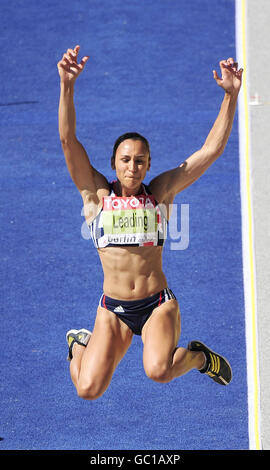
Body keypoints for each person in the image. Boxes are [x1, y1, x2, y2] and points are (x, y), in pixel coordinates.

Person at [57, 45, 243, 400]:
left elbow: (210, 151)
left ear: (148, 164)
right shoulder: (96, 195)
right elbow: (68, 141)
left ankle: (200, 358)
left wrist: (231, 96)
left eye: (140, 161)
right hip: (113, 309)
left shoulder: (161, 192)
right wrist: (67, 86)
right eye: (125, 160)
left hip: (157, 304)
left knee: (158, 371)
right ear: (114, 163)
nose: (132, 166)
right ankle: (80, 343)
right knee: (87, 389)